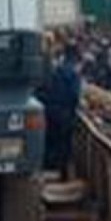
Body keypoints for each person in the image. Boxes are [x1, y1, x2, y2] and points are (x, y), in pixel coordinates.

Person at [39, 43, 83, 175]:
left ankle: (48, 167)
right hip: (64, 113)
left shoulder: (55, 70)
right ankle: (61, 171)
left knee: (51, 141)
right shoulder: (73, 74)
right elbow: (75, 95)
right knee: (64, 144)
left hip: (50, 111)